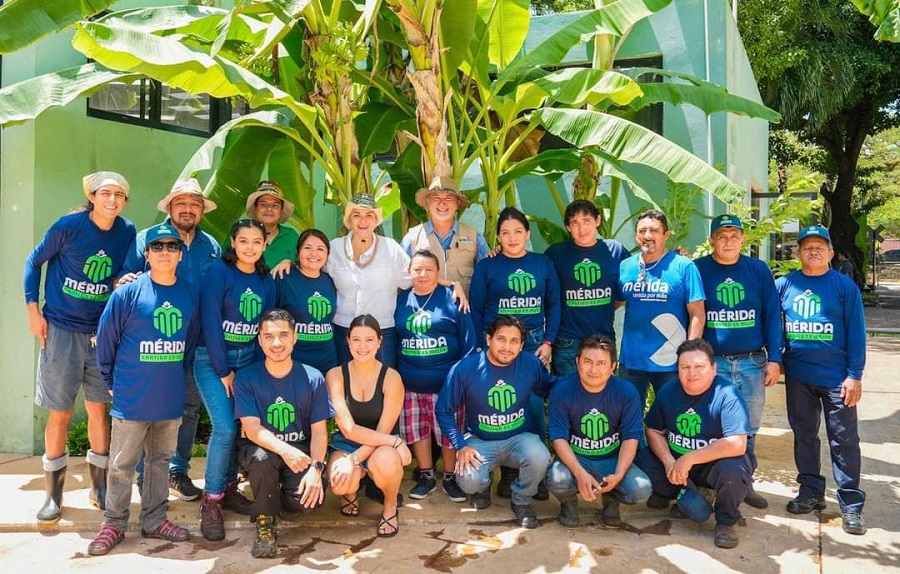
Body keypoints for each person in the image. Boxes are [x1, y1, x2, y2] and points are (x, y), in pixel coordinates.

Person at [23, 171, 136, 524]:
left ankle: (98, 489)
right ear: (93, 196)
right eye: (106, 193)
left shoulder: (127, 231)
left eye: (119, 195)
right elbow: (33, 262)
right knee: (60, 412)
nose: (112, 200)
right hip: (60, 330)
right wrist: (33, 310)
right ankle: (53, 495)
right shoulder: (69, 225)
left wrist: (120, 280)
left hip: (100, 333)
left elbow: (122, 271)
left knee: (99, 410)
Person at [87, 223, 199, 555]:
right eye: (158, 247)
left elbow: (189, 343)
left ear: (180, 254)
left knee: (160, 460)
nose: (165, 252)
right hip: (132, 395)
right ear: (147, 254)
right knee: (122, 463)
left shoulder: (188, 293)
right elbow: (105, 341)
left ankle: (154, 519)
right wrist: (110, 381)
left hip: (169, 396)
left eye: (172, 247)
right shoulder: (127, 293)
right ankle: (114, 523)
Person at [119, 176, 220, 502]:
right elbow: (125, 279)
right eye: (182, 203)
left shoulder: (212, 246)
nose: (188, 209)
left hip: (194, 341)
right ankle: (143, 475)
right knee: (148, 409)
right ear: (170, 207)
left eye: (195, 204)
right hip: (152, 341)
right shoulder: (147, 239)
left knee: (188, 408)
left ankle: (178, 469)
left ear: (202, 210)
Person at [776, 225, 867, 535]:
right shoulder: (785, 284)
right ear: (798, 252)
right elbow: (775, 325)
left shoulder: (844, 287)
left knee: (843, 440)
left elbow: (857, 333)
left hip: (836, 379)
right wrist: (776, 359)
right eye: (807, 246)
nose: (813, 251)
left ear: (830, 253)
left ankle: (851, 504)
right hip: (799, 377)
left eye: (819, 246)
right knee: (804, 435)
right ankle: (811, 492)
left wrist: (854, 375)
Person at [469, 206, 560, 500]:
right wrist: (482, 346)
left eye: (518, 232)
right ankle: (507, 472)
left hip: (533, 346)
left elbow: (554, 305)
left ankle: (537, 473)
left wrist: (547, 343)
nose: (512, 238)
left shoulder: (542, 264)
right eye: (505, 233)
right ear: (498, 237)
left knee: (534, 409)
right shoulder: (487, 266)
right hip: (498, 346)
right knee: (500, 406)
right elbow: (477, 307)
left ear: (527, 234)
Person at [694, 214, 783, 509]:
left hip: (751, 362)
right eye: (722, 236)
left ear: (743, 239)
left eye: (734, 236)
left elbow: (772, 315)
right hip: (714, 362)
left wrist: (775, 359)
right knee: (712, 424)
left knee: (749, 426)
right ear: (711, 241)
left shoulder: (757, 270)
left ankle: (745, 482)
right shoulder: (699, 269)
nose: (728, 241)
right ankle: (710, 483)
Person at [195, 219, 276, 541]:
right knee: (225, 427)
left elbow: (266, 327)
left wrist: (254, 373)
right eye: (244, 241)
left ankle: (229, 488)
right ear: (233, 242)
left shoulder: (265, 279)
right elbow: (211, 323)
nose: (250, 247)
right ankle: (211, 501)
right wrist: (223, 369)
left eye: (256, 242)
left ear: (264, 244)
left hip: (248, 359)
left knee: (240, 424)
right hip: (211, 358)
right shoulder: (218, 272)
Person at [436, 315, 555, 529]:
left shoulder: (530, 364)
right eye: (501, 339)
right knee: (470, 482)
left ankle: (521, 500)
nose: (507, 347)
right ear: (489, 339)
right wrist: (460, 445)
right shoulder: (466, 369)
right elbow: (443, 410)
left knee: (540, 456)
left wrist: (588, 382)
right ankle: (483, 485)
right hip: (479, 440)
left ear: (521, 345)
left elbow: (548, 388)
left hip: (518, 438)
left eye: (514, 341)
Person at [637, 339, 752, 549]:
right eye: (685, 367)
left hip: (711, 464)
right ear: (678, 369)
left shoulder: (727, 394)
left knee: (734, 470)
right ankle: (676, 493)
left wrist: (690, 458)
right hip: (675, 462)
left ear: (714, 368)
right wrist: (668, 461)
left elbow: (737, 443)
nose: (692, 373)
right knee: (640, 455)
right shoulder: (669, 391)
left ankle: (726, 522)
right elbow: (652, 430)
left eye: (699, 366)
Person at [234, 308, 329, 558]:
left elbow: (319, 432)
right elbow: (252, 429)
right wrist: (285, 450)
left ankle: (273, 498)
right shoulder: (246, 377)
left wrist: (316, 469)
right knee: (261, 459)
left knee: (308, 502)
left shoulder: (313, 377)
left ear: (295, 337)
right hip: (262, 449)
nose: (277, 343)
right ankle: (265, 520)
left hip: (302, 451)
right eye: (269, 336)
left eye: (283, 335)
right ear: (260, 340)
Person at [394, 250, 477, 502]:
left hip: (447, 384)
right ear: (409, 273)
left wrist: (461, 380)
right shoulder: (400, 300)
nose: (423, 274)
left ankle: (450, 477)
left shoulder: (452, 298)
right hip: (411, 383)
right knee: (418, 431)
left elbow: (468, 341)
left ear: (438, 273)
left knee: (447, 433)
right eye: (417, 269)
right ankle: (426, 475)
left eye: (429, 269)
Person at [546, 335, 651, 528]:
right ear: (577, 362)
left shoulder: (626, 392)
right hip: (577, 458)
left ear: (612, 367)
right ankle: (568, 505)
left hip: (611, 459)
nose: (593, 370)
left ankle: (611, 499)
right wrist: (579, 473)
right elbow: (558, 438)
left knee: (640, 489)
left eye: (601, 363)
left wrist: (619, 474)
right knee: (556, 479)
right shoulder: (562, 391)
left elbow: (631, 438)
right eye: (587, 362)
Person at [325, 315, 411, 538]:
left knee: (387, 462)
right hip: (347, 443)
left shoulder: (391, 378)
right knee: (340, 483)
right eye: (357, 340)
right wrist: (396, 442)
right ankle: (351, 491)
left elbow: (382, 432)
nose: (363, 347)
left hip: (381, 446)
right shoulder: (335, 375)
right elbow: (348, 429)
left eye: (369, 340)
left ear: (380, 342)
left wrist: (355, 460)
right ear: (348, 341)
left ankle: (390, 506)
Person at [616, 209, 705, 409]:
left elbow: (697, 313)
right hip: (632, 361)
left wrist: (690, 354)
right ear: (636, 235)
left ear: (666, 235)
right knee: (628, 418)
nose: (648, 236)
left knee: (672, 416)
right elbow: (617, 302)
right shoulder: (625, 267)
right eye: (642, 231)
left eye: (654, 231)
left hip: (670, 362)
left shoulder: (683, 267)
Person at [323, 193, 412, 368]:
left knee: (383, 383)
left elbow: (415, 279)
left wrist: (450, 285)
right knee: (347, 384)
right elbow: (312, 271)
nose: (363, 221)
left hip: (382, 331)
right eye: (356, 215)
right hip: (344, 330)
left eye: (369, 215)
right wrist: (288, 262)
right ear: (349, 219)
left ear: (376, 221)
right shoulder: (334, 248)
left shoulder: (391, 248)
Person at [544, 200, 628, 376]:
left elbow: (641, 272)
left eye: (586, 221)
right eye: (575, 223)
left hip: (603, 339)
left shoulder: (615, 250)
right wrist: (499, 253)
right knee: (568, 396)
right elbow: (531, 269)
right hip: (567, 341)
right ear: (568, 227)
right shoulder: (556, 254)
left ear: (597, 220)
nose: (581, 229)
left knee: (604, 397)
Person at [401, 177, 490, 295]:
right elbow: (401, 277)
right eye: (436, 198)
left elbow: (489, 273)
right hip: (424, 311)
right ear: (428, 203)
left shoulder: (474, 237)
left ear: (457, 204)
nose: (442, 203)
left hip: (464, 311)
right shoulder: (412, 238)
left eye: (448, 198)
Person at [275, 229, 339, 374]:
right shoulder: (283, 278)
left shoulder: (331, 280)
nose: (314, 254)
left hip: (327, 361)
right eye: (308, 248)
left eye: (320, 249)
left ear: (327, 255)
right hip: (293, 362)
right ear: (298, 252)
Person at [245, 180, 300, 269]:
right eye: (263, 204)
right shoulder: (241, 233)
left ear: (281, 211)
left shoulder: (291, 236)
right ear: (255, 208)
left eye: (275, 205)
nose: (269, 209)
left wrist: (289, 262)